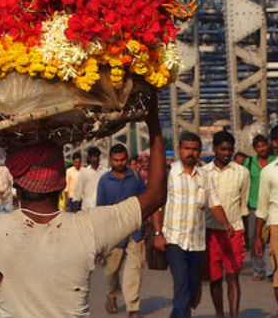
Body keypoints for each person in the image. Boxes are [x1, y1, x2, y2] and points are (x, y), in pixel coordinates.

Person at [0, 95, 168, 317]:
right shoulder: (88, 227)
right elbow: (156, 195)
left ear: (16, 184)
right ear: (61, 184)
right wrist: (153, 121)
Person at [152, 131, 234, 318]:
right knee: (181, 285)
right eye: (187, 148)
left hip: (197, 242)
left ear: (200, 151)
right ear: (179, 150)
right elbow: (157, 205)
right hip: (174, 240)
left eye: (195, 149)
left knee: (191, 287)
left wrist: (226, 223)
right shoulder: (169, 173)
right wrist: (158, 234)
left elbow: (215, 203)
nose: (191, 153)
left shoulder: (205, 176)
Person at [202, 131, 250, 318]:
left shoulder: (242, 173)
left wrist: (244, 233)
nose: (226, 153)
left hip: (235, 231)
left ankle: (234, 315)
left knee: (233, 276)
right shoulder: (203, 173)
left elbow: (243, 205)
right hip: (211, 232)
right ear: (214, 149)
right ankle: (220, 314)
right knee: (215, 279)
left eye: (230, 149)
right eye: (222, 149)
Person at [97, 144, 147, 317]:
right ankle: (112, 294)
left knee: (134, 269)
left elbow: (144, 200)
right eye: (116, 160)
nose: (120, 163)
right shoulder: (104, 181)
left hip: (135, 230)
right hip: (114, 232)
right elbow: (100, 208)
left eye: (123, 159)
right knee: (111, 270)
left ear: (127, 159)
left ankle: (133, 307)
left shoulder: (135, 177)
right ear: (111, 160)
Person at [245, 135, 275, 280]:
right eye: (259, 146)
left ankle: (270, 270)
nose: (262, 148)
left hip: (271, 206)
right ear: (254, 149)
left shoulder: (274, 162)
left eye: (264, 145)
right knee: (254, 237)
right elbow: (244, 182)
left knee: (270, 238)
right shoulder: (249, 162)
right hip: (254, 205)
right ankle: (258, 269)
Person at [254, 133, 278, 315]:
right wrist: (257, 237)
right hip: (276, 226)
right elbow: (262, 208)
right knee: (277, 277)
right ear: (275, 143)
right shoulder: (268, 171)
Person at [75, 146, 104, 210]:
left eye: (97, 156)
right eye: (93, 157)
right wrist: (76, 210)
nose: (95, 159)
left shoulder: (105, 172)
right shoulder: (84, 173)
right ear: (89, 158)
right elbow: (78, 192)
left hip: (101, 208)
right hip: (87, 207)